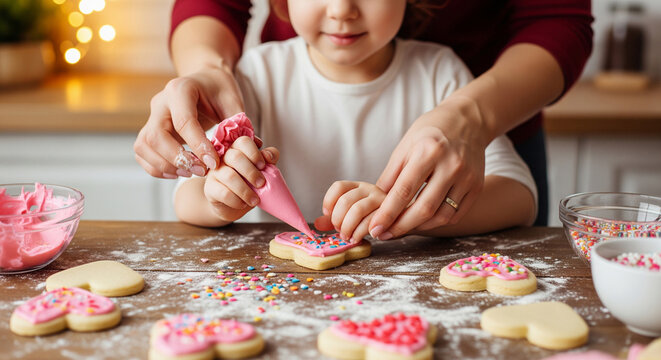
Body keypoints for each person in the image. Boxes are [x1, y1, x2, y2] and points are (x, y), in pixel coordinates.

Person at [134, 0, 592, 236]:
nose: (342, 9)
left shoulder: (442, 73)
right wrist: (218, 199)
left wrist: (415, 208)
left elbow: (519, 197)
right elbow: (188, 198)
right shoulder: (254, 78)